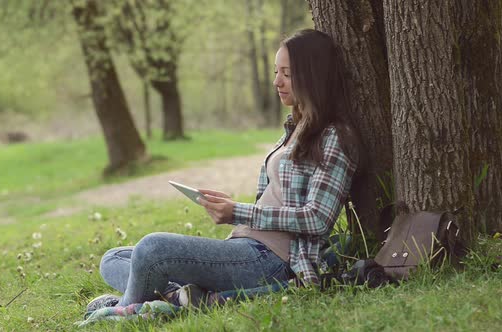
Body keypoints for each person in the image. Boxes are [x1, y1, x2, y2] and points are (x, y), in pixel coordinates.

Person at [86, 29, 360, 312]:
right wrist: (230, 209)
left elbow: (317, 219)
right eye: (276, 71)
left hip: (272, 261)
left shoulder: (335, 137)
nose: (276, 81)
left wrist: (237, 212)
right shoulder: (293, 129)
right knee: (114, 258)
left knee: (151, 250)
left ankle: (124, 312)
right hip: (244, 248)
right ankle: (183, 298)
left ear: (313, 77)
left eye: (287, 74)